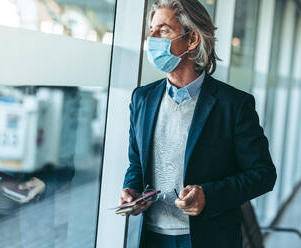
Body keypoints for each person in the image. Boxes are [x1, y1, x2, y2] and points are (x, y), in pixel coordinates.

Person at [119, 0, 277, 247]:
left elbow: (263, 174)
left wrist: (209, 195)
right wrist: (132, 190)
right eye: (151, 30)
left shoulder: (234, 104)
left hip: (207, 238)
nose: (152, 39)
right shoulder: (142, 98)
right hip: (151, 237)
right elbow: (137, 163)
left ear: (192, 40)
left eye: (163, 30)